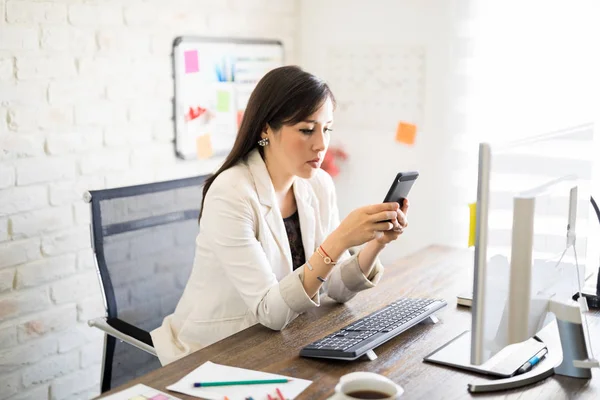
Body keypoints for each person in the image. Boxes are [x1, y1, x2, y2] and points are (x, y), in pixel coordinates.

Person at [151, 65, 409, 365]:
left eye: (326, 129)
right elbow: (269, 312)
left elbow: (335, 288)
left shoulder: (318, 185)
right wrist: (340, 240)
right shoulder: (231, 193)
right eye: (306, 129)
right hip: (218, 352)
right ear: (265, 129)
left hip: (284, 342)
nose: (321, 144)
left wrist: (377, 241)